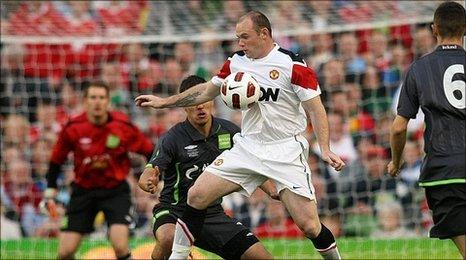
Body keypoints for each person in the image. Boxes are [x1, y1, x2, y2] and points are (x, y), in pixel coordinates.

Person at [136, 11, 345, 260]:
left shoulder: (293, 65)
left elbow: (316, 108)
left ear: (264, 33)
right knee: (197, 194)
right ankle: (178, 257)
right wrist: (164, 103)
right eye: (238, 38)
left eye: (244, 37)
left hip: (285, 149)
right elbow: (205, 91)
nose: (240, 43)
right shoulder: (236, 61)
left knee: (310, 226)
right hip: (249, 147)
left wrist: (326, 148)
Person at [138, 75, 274, 259]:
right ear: (184, 105)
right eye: (193, 100)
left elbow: (251, 165)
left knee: (261, 257)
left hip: (212, 215)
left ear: (213, 100)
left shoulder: (230, 131)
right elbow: (149, 172)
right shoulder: (173, 137)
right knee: (169, 238)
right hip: (174, 211)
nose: (200, 105)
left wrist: (273, 191)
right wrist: (148, 179)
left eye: (204, 99)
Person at [41, 81, 154, 259]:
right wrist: (50, 190)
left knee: (120, 246)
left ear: (108, 101)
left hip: (115, 191)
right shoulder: (73, 127)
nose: (98, 102)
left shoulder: (122, 126)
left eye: (102, 98)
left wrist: (155, 176)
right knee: (65, 252)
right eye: (93, 97)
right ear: (85, 101)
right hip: (83, 191)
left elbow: (150, 151)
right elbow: (56, 160)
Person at [387, 2, 465, 258]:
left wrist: (396, 162)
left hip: (445, 171)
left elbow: (399, 128)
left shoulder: (420, 68)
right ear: (464, 29)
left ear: (434, 29)